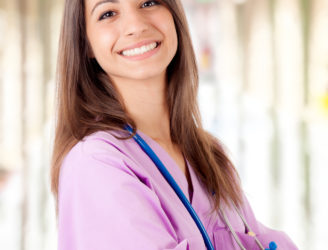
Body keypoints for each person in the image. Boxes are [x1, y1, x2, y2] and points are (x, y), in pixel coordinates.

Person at [51, 0, 298, 249]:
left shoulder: (210, 156)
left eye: (148, 2)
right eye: (108, 13)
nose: (135, 25)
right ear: (85, 43)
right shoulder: (96, 163)